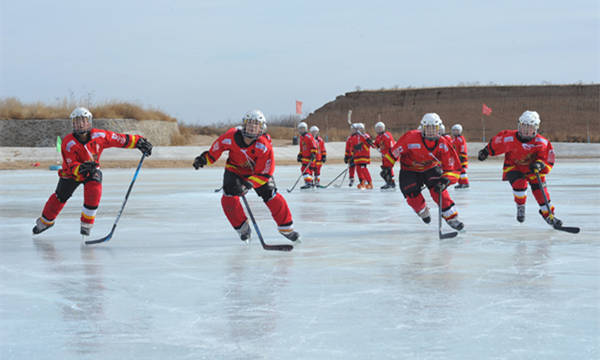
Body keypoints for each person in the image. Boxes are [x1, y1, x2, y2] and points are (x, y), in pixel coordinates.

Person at [32, 107, 153, 236]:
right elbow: (71, 164)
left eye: (82, 121)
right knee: (59, 198)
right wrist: (81, 168)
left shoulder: (100, 135)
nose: (79, 124)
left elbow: (120, 139)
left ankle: (86, 225)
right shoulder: (68, 143)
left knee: (95, 190)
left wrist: (139, 142)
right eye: (76, 121)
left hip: (91, 171)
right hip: (71, 174)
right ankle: (45, 222)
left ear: (89, 122)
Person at [193, 110, 299, 242]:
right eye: (249, 124)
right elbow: (216, 149)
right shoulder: (230, 136)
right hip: (235, 170)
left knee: (271, 196)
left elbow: (265, 172)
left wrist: (248, 185)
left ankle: (286, 228)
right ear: (244, 125)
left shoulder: (264, 145)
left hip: (257, 174)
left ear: (261, 128)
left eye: (256, 124)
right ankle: (242, 228)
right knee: (228, 198)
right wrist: (204, 159)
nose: (252, 127)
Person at [477, 110, 561, 226]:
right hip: (513, 166)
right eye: (523, 127)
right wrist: (486, 151)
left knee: (541, 193)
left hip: (533, 169)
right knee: (519, 185)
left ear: (535, 128)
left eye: (529, 128)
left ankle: (549, 215)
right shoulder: (509, 137)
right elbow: (496, 144)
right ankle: (520, 206)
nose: (525, 130)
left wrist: (540, 164)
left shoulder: (541, 142)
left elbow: (546, 157)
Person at [390, 113, 464, 230]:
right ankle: (422, 210)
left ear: (439, 129)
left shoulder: (443, 143)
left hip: (430, 169)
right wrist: (386, 168)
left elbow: (452, 167)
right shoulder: (410, 138)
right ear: (422, 128)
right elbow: (393, 152)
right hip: (409, 170)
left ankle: (452, 218)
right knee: (412, 195)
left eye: (434, 128)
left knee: (439, 192)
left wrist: (446, 180)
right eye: (428, 128)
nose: (431, 131)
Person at [349, 123, 374, 189]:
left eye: (361, 128)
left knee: (363, 168)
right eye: (359, 129)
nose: (360, 130)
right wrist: (352, 154)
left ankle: (369, 183)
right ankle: (362, 182)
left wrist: (368, 141)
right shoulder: (354, 137)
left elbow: (371, 145)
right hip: (357, 156)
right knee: (358, 169)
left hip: (364, 155)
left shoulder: (365, 135)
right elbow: (352, 147)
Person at [373, 121, 397, 189]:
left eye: (380, 128)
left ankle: (389, 183)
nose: (379, 129)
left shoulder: (386, 135)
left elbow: (390, 145)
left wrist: (388, 154)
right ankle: (390, 183)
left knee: (386, 171)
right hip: (384, 157)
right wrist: (369, 142)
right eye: (377, 128)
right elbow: (376, 145)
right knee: (386, 170)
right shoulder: (378, 137)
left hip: (389, 156)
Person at [296, 122, 318, 189]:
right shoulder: (301, 138)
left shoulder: (308, 136)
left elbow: (314, 145)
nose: (300, 130)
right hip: (304, 158)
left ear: (305, 129)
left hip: (309, 157)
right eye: (299, 129)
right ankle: (310, 182)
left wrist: (313, 153)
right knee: (307, 170)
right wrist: (299, 155)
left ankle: (308, 182)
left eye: (302, 129)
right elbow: (301, 148)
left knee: (305, 169)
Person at [451, 124, 470, 189]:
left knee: (462, 170)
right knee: (458, 170)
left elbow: (463, 147)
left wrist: (462, 156)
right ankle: (461, 183)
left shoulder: (461, 139)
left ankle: (465, 183)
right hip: (456, 158)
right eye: (454, 130)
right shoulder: (454, 139)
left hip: (461, 157)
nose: (455, 132)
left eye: (456, 130)